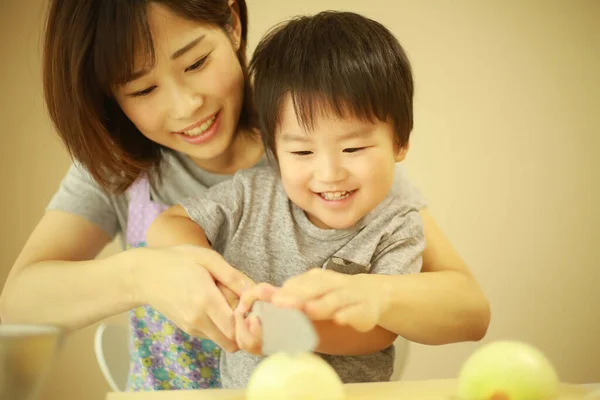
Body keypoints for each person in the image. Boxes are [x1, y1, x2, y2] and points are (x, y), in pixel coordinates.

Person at [0, 0, 490, 392]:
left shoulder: (324, 151)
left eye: (196, 62)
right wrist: (142, 275)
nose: (185, 105)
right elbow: (18, 302)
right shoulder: (116, 165)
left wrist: (373, 296)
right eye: (143, 90)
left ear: (232, 22)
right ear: (108, 96)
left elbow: (466, 306)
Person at [146, 10, 428, 387]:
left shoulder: (398, 224)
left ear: (401, 143)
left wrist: (282, 330)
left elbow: (379, 331)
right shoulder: (251, 194)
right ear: (274, 151)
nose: (329, 173)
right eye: (301, 153)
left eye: (354, 147)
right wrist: (217, 280)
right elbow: (169, 225)